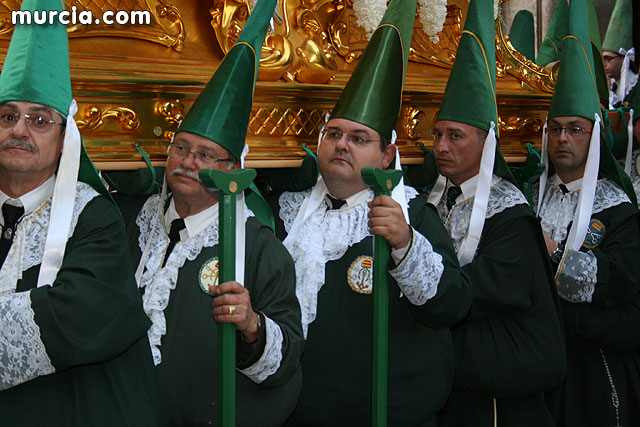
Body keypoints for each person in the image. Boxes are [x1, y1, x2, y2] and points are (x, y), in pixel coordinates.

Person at [266, 0, 471, 424]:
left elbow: (451, 304)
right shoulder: (288, 212)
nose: (342, 145)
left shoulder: (412, 213)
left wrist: (405, 244)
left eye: (359, 139)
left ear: (387, 155)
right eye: (334, 134)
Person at [115, 0, 304, 424]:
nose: (188, 162)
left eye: (205, 155)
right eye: (181, 148)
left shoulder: (260, 249)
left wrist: (253, 326)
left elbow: (287, 359)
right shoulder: (133, 222)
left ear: (232, 170)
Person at [0, 0, 162, 424]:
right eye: (7, 116)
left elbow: (80, 317)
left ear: (63, 139)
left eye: (39, 120)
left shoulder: (94, 217)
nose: (19, 129)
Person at [424, 0, 566, 425]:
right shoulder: (436, 199)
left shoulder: (511, 219)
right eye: (437, 134)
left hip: (499, 402)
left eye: (455, 136)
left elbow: (472, 295)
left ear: (487, 142)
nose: (441, 146)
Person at [534, 0, 640, 424]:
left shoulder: (619, 211)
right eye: (555, 128)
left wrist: (550, 252)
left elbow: (624, 294)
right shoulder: (529, 198)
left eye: (575, 129)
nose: (563, 138)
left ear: (594, 137)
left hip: (594, 375)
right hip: (535, 370)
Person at [602, 0, 637, 108]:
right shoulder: (614, 88)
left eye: (609, 58)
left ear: (623, 59)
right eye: (603, 59)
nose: (605, 64)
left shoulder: (635, 88)